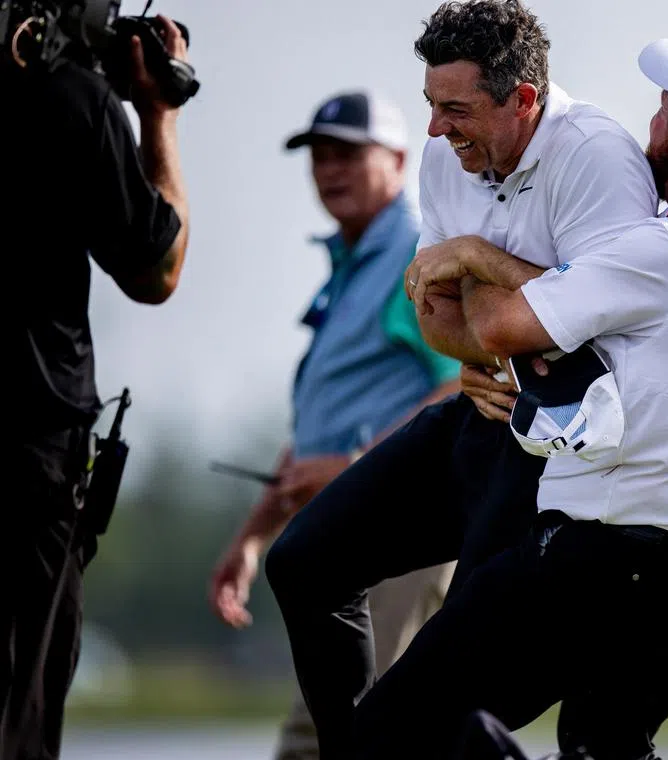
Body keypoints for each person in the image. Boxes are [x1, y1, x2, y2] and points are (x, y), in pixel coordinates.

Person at [369, 37, 668, 760]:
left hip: (623, 560)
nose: (649, 126)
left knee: (398, 727)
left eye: (663, 111)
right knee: (602, 748)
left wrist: (472, 251)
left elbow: (496, 325)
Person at [262, 1, 657, 758]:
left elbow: (613, 321)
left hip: (561, 457)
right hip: (482, 412)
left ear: (525, 101)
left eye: (456, 109)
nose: (437, 131)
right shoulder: (450, 158)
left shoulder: (598, 160)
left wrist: (477, 265)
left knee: (447, 684)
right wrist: (496, 330)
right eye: (430, 108)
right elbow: (442, 317)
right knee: (302, 565)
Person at [206, 90, 462, 760]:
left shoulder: (415, 251)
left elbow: (460, 385)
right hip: (350, 537)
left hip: (399, 533)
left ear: (400, 159)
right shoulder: (351, 266)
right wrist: (252, 537)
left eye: (349, 152)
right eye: (319, 154)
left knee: (333, 735)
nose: (329, 169)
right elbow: (322, 428)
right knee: (361, 731)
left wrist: (351, 471)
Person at [1, 10, 191, 760]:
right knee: (17, 716)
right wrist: (157, 113)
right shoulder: (71, 97)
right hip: (28, 465)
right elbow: (158, 269)